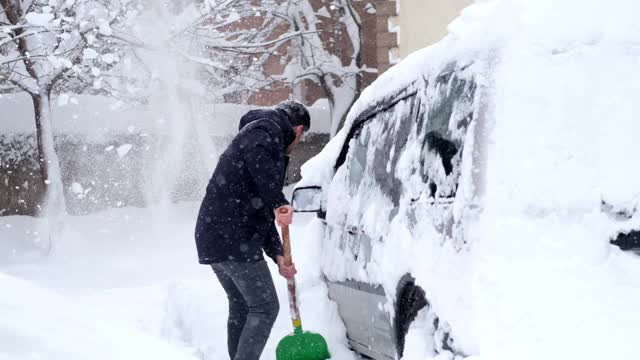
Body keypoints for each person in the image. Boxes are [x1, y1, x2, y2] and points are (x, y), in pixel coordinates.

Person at [194, 100, 311, 360]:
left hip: (214, 235)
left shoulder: (258, 137)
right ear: (299, 130)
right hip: (233, 236)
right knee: (266, 306)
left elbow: (260, 210)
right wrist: (279, 201)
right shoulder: (265, 128)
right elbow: (265, 187)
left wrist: (278, 255)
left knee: (243, 306)